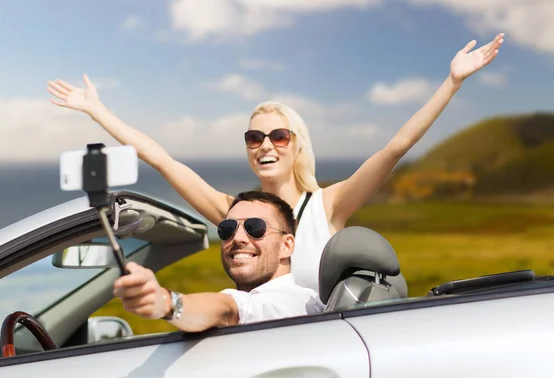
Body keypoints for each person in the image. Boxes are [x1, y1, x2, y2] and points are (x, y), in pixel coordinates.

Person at [48, 33, 505, 292]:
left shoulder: (329, 205)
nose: (265, 145)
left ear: (297, 145)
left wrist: (452, 82)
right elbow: (162, 159)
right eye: (254, 137)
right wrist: (97, 111)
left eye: (278, 135)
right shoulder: (236, 215)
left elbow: (394, 148)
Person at [112, 191, 325, 331]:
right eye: (228, 229)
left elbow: (228, 309)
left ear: (287, 245)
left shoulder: (291, 302)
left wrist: (167, 303)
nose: (238, 238)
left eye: (256, 228)